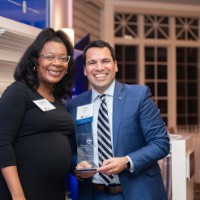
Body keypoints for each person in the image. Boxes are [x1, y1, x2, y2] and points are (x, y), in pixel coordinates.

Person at [67, 40, 170, 200]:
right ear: (85, 70)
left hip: (139, 193)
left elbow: (160, 143)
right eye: (92, 62)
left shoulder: (138, 96)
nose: (99, 68)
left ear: (115, 65)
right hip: (94, 194)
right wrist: (77, 165)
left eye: (105, 61)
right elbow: (69, 151)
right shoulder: (74, 105)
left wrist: (126, 161)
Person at [0, 27, 74, 200]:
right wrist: (17, 195)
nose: (57, 63)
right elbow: (2, 142)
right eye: (49, 57)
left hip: (54, 192)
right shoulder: (19, 91)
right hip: (22, 193)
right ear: (35, 61)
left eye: (63, 58)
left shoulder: (57, 99)